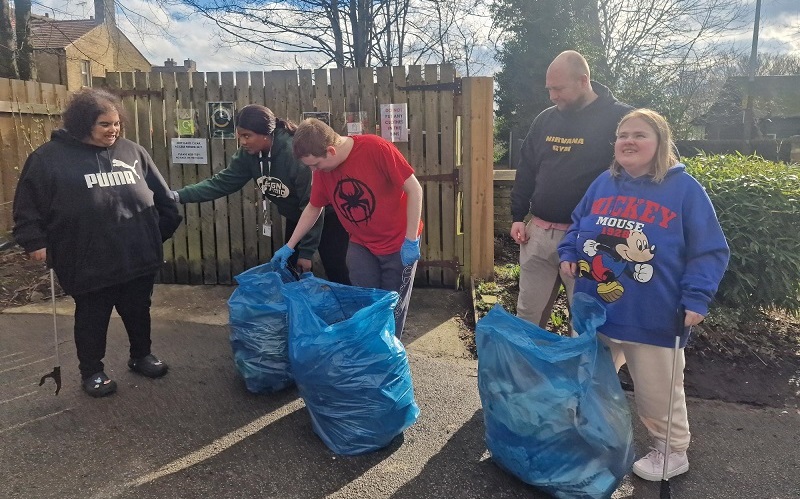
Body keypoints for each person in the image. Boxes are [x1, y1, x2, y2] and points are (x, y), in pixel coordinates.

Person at [557, 108, 729, 481]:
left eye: (639, 135)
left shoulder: (685, 190)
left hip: (654, 314)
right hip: (597, 309)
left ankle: (671, 450)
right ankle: (595, 438)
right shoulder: (603, 182)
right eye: (622, 135)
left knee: (657, 392)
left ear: (660, 142)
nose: (628, 141)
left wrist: (697, 297)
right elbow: (578, 225)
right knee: (590, 382)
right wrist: (569, 252)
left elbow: (710, 250)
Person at [12, 88, 182, 398]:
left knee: (138, 309)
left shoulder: (133, 152)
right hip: (86, 257)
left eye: (117, 123)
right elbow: (27, 206)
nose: (113, 130)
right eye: (105, 124)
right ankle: (92, 371)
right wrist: (34, 241)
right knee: (92, 316)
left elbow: (163, 198)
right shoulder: (49, 159)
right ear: (82, 124)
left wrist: (153, 237)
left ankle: (141, 355)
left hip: (135, 256)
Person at [510, 50, 632, 328]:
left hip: (590, 238)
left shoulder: (622, 119)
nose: (552, 96)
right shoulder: (545, 119)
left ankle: (580, 372)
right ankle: (528, 371)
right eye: (549, 89)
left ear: (583, 80)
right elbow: (527, 167)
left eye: (559, 88)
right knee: (527, 315)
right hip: (538, 234)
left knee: (586, 321)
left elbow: (650, 167)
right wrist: (518, 214)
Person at [270, 118, 423, 336]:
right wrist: (290, 245)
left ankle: (387, 358)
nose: (313, 170)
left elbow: (415, 190)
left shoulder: (376, 148)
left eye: (315, 164)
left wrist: (410, 240)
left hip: (397, 243)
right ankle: (365, 352)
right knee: (364, 304)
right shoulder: (322, 172)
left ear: (331, 151)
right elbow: (313, 208)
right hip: (361, 243)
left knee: (391, 308)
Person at [172, 105, 350, 284]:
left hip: (328, 215)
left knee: (336, 267)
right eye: (239, 136)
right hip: (297, 216)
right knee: (288, 267)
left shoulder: (292, 152)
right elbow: (221, 183)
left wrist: (307, 252)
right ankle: (296, 309)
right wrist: (178, 196)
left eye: (247, 136)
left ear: (265, 134)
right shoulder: (248, 155)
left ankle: (356, 309)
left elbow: (312, 203)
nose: (242, 141)